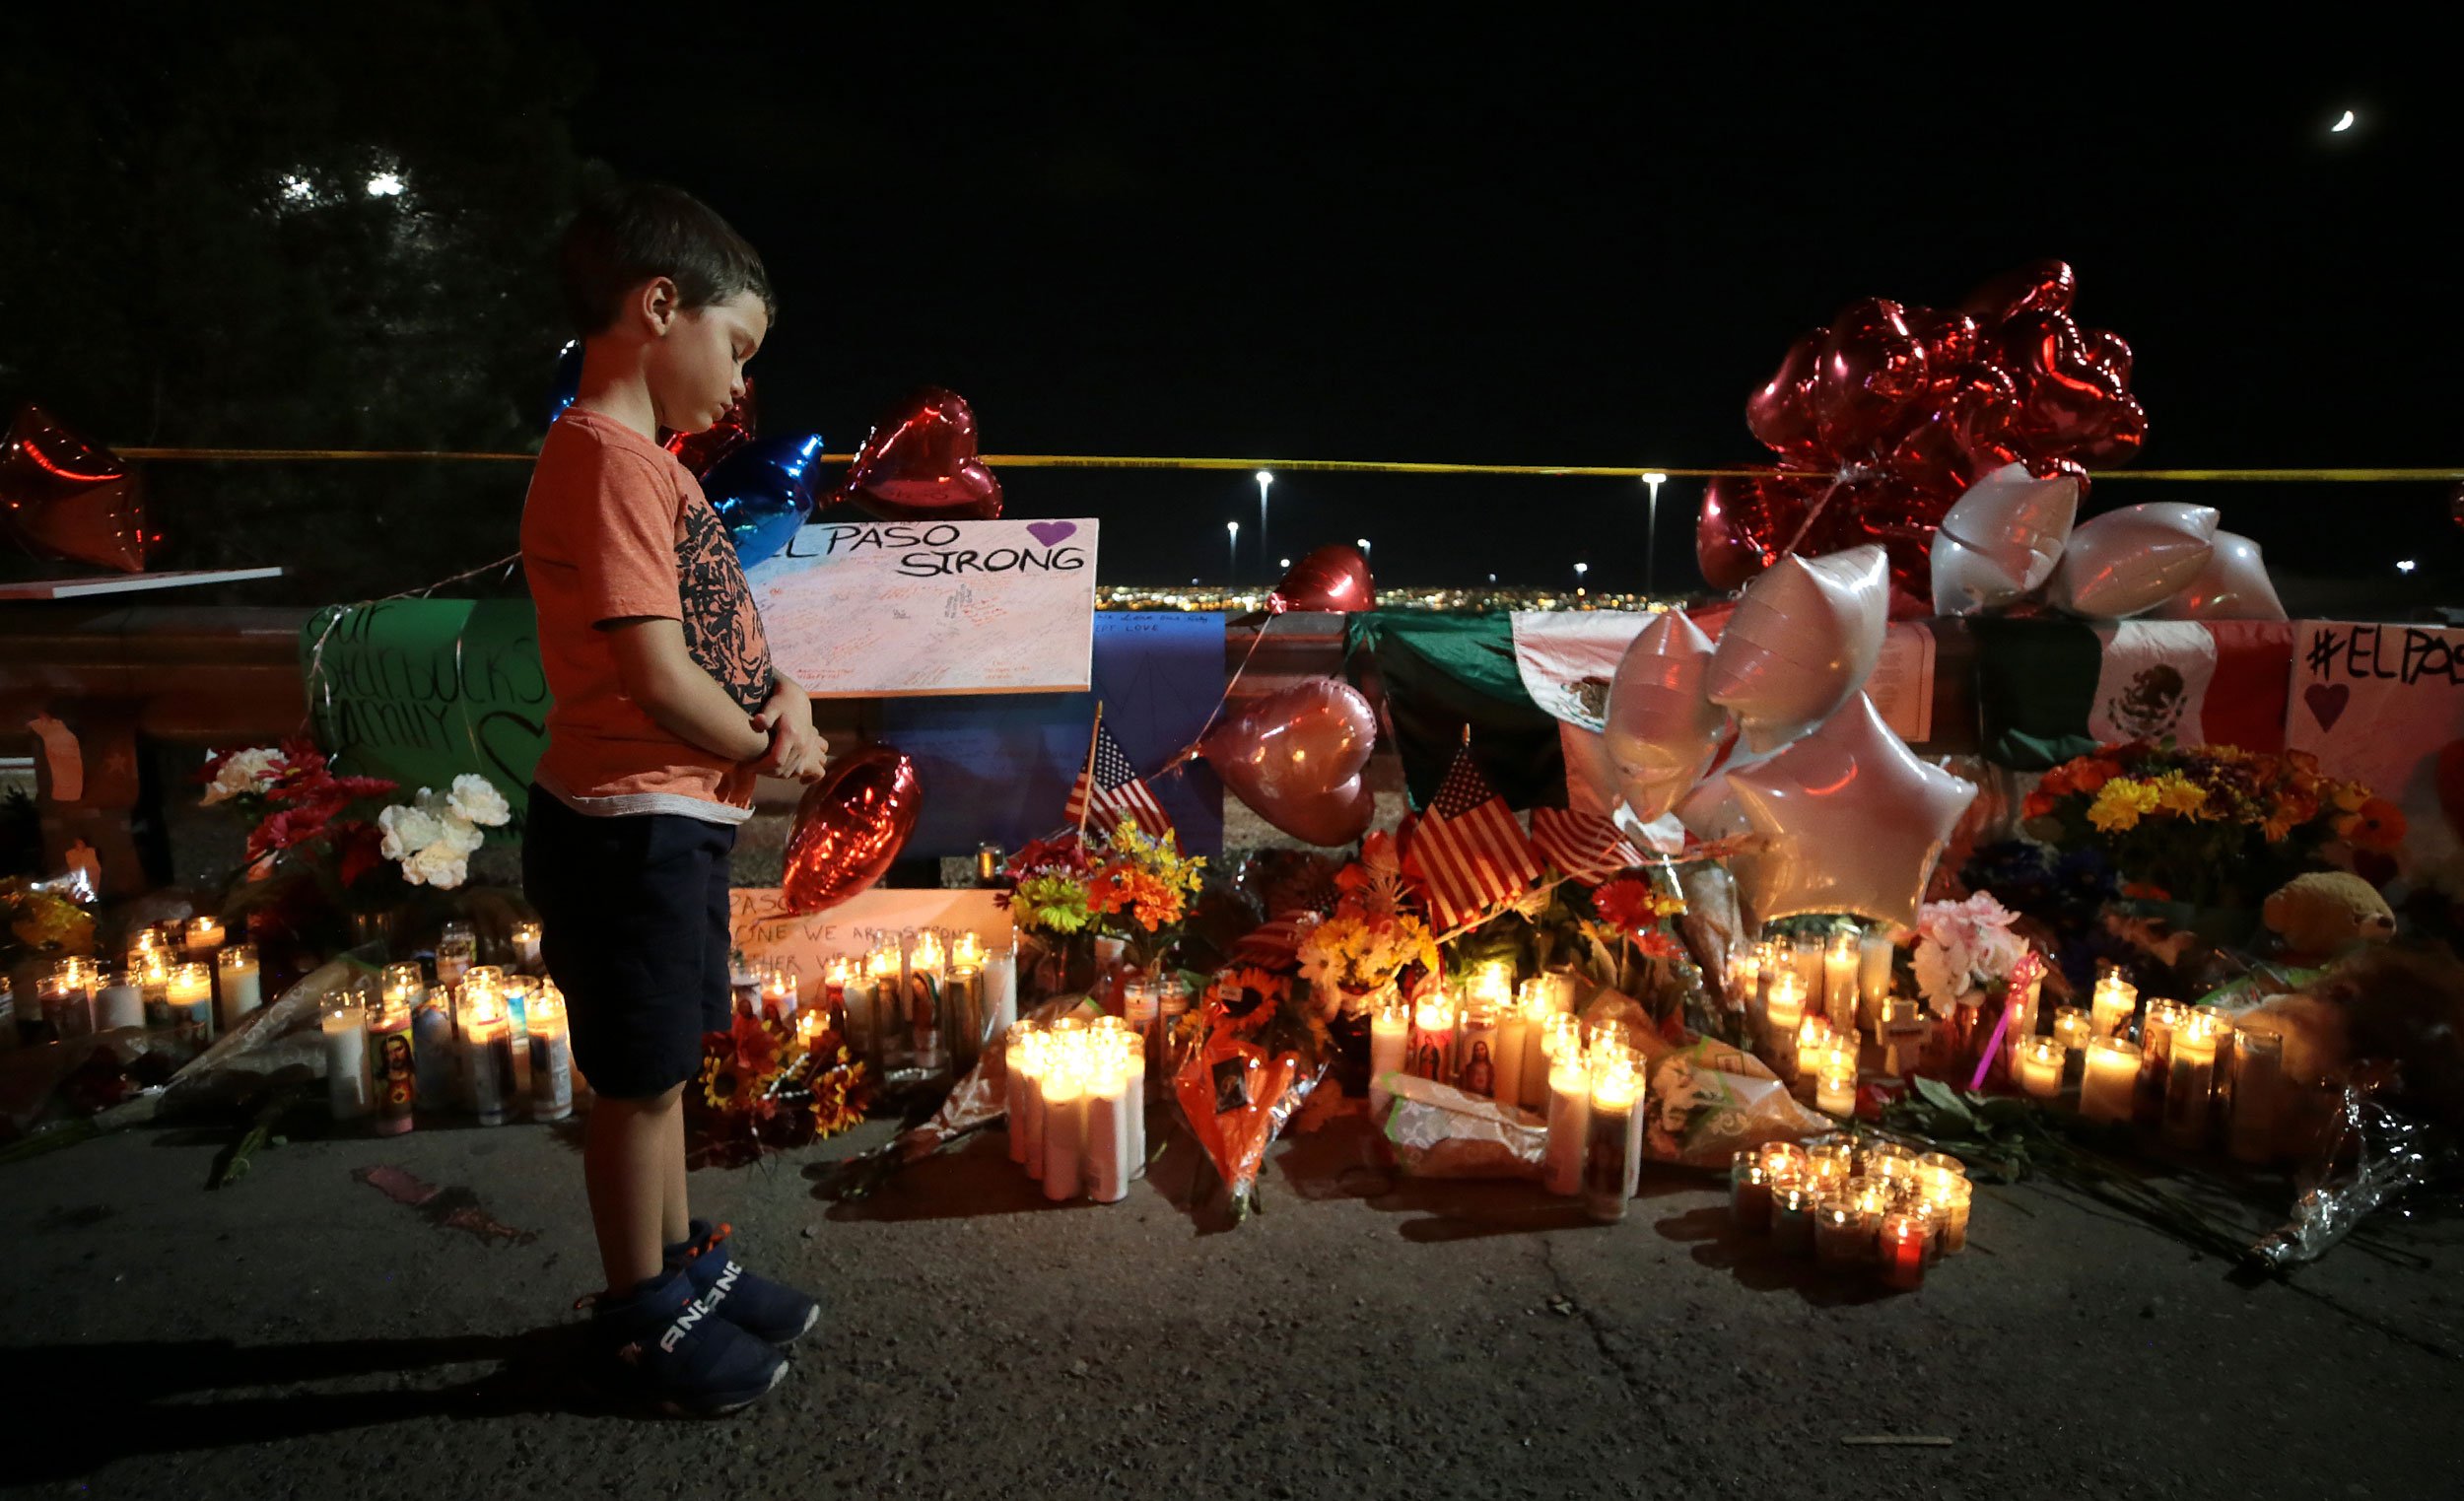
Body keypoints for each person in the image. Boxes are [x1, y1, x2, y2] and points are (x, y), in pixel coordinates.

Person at [520, 182, 829, 1416]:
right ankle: (639, 1311)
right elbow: (654, 669)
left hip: (669, 815)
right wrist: (771, 750)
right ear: (660, 306)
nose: (742, 386)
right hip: (624, 819)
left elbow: (719, 634)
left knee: (661, 1069)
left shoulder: (655, 471)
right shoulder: (601, 460)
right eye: (736, 347)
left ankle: (678, 1269)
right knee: (635, 1078)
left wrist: (784, 694)